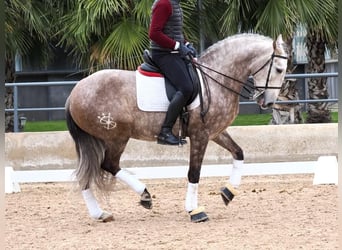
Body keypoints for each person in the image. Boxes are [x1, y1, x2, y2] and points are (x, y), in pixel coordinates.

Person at [149, 0, 197, 146]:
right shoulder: (164, 3)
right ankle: (165, 131)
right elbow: (154, 33)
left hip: (173, 52)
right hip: (163, 54)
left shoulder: (174, 3)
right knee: (186, 88)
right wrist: (177, 46)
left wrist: (186, 44)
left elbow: (174, 30)